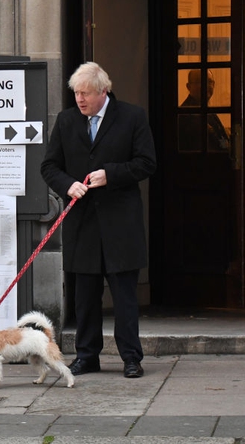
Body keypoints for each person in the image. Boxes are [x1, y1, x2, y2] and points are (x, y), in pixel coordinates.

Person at [40, 61, 156, 379]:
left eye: (86, 93)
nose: (80, 99)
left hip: (121, 224)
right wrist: (68, 184)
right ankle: (87, 356)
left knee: (124, 299)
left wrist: (111, 174)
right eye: (76, 93)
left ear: (103, 91)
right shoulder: (66, 121)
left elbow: (147, 163)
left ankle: (131, 358)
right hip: (83, 224)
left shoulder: (132, 117)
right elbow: (49, 166)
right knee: (86, 299)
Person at [178, 69, 230, 152]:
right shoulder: (187, 113)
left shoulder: (207, 109)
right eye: (200, 81)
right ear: (189, 86)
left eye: (210, 82)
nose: (206, 85)